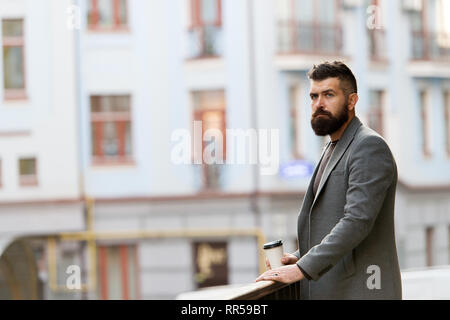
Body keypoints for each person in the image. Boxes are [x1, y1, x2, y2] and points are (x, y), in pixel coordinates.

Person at [256, 61, 402, 299]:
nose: (318, 104)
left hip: (362, 291)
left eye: (329, 95)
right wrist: (300, 256)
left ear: (352, 101)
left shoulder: (368, 146)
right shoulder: (331, 147)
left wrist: (301, 269)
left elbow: (357, 221)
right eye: (313, 96)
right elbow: (329, 222)